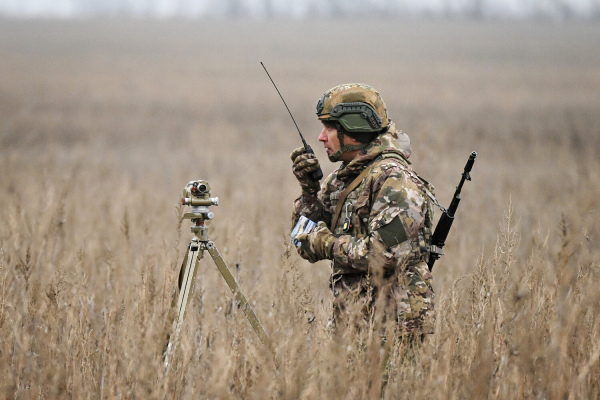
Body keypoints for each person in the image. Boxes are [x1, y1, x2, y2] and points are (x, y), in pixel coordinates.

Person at [291, 83, 436, 337]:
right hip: (354, 324)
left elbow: (384, 254)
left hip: (393, 329)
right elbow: (303, 241)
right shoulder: (344, 178)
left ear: (354, 130)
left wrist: (327, 243)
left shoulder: (395, 181)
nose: (321, 137)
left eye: (329, 128)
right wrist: (309, 192)